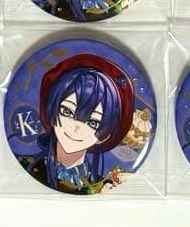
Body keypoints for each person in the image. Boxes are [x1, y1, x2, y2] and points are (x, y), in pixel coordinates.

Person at [18, 55, 134, 194]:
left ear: (105, 136)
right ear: (52, 113)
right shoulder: (23, 166)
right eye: (67, 112)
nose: (75, 128)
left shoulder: (103, 187)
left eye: (92, 122)